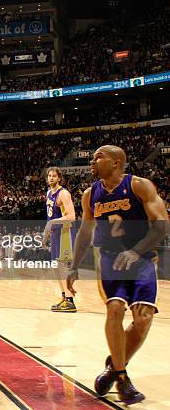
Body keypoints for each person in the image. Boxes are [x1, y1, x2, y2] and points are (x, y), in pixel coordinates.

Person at [67, 145, 168, 405]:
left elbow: (162, 224)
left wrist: (135, 252)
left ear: (116, 162)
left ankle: (113, 366)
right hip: (110, 259)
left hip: (142, 258)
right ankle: (122, 378)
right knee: (115, 308)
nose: (92, 160)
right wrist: (74, 265)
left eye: (98, 156)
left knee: (143, 318)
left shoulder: (139, 186)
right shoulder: (90, 194)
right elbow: (85, 232)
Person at [41, 167, 77, 312]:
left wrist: (51, 223)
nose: (51, 178)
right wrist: (46, 234)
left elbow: (72, 216)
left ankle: (70, 301)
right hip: (56, 232)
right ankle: (64, 297)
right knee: (56, 268)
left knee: (62, 267)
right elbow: (50, 218)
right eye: (49, 176)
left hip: (65, 232)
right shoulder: (49, 193)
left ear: (59, 178)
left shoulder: (63, 193)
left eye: (54, 176)